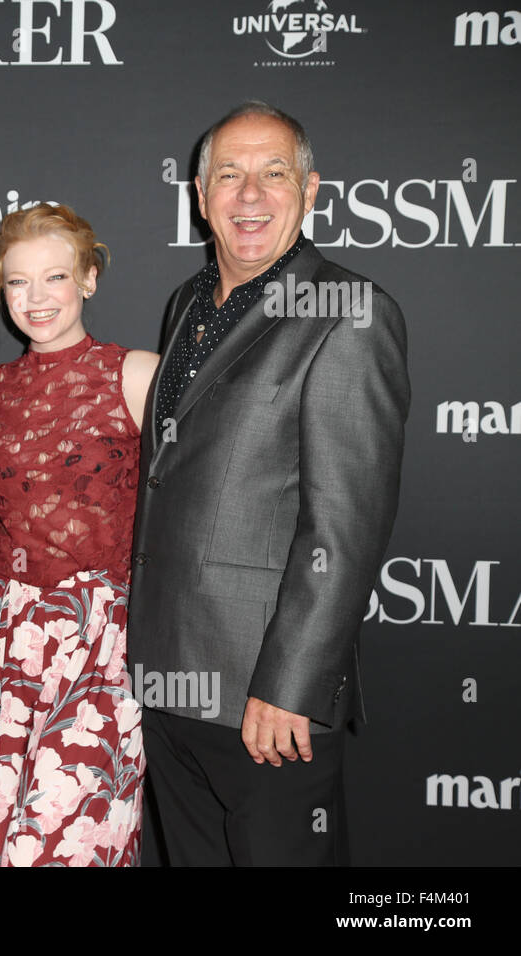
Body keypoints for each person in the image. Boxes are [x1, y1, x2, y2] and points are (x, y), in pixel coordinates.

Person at [129, 101, 410, 866]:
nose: (249, 195)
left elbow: (344, 528)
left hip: (265, 700)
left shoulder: (347, 313)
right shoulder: (185, 304)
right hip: (169, 685)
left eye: (273, 173)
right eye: (229, 174)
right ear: (198, 193)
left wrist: (290, 685)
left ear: (311, 190)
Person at [0, 203, 159, 867]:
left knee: (73, 841)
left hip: (99, 641)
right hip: (1, 638)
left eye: (55, 278)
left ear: (89, 279)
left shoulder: (137, 374)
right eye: (17, 282)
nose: (36, 299)